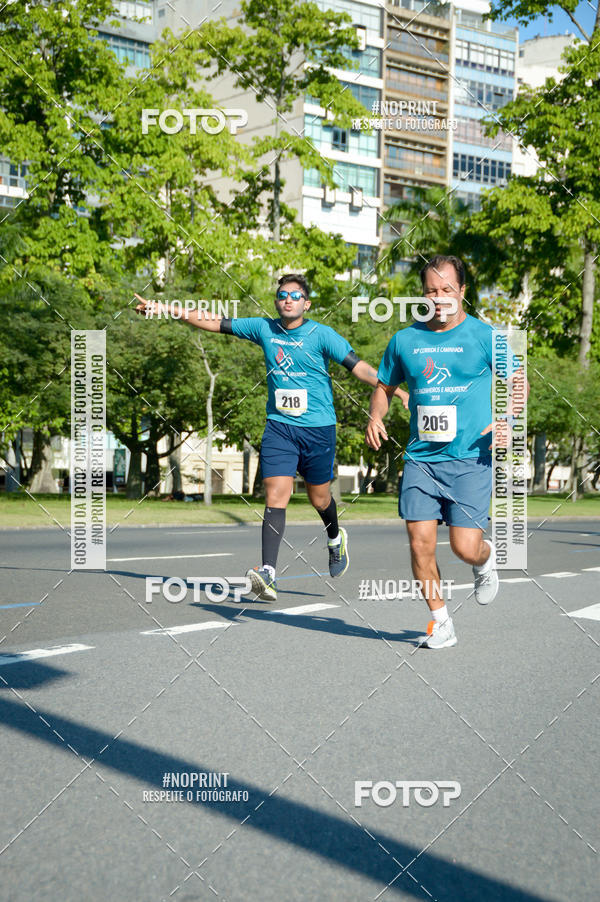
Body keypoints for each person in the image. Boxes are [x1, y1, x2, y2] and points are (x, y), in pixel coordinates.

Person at [135, 274, 408, 601]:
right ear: (277, 301)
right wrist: (165, 308)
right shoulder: (263, 328)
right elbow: (211, 320)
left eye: (296, 295)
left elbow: (360, 368)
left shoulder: (322, 335)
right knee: (276, 494)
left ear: (307, 304)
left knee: (319, 499)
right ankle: (268, 573)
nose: (288, 299)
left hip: (318, 429)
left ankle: (335, 538)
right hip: (280, 427)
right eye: (282, 295)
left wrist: (395, 390)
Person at [365, 255, 528, 649]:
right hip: (421, 459)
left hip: (471, 459)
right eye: (431, 291)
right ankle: (441, 623)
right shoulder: (405, 340)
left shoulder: (484, 336)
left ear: (462, 291)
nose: (438, 297)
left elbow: (518, 380)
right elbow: (384, 387)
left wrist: (507, 418)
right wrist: (375, 415)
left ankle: (484, 560)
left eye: (447, 290)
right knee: (420, 542)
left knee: (464, 547)